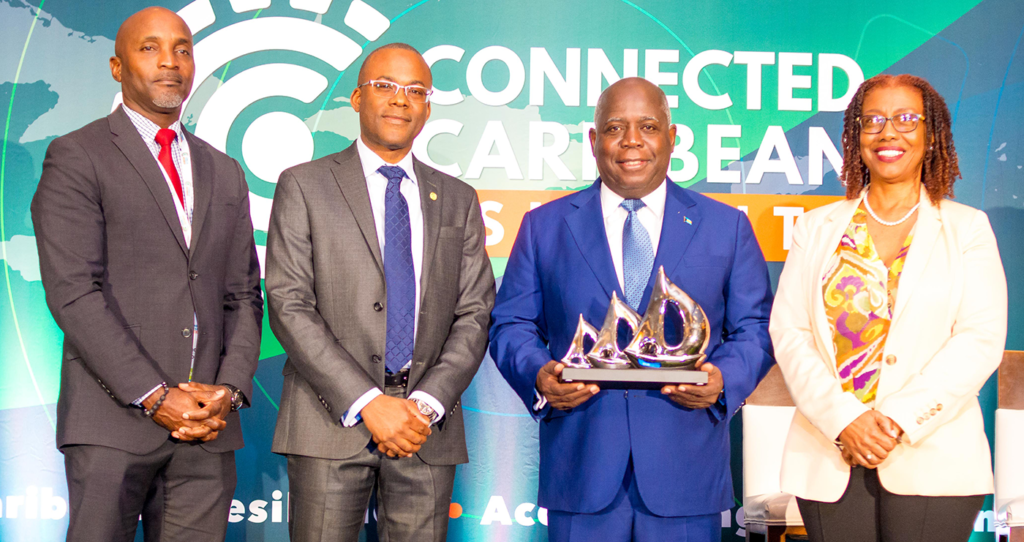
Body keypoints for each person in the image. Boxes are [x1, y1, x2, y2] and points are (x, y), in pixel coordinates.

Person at [489, 77, 775, 542]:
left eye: (648, 126)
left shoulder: (727, 227)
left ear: (673, 136)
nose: (632, 142)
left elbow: (756, 329)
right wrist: (540, 376)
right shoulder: (544, 227)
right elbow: (511, 325)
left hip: (685, 474)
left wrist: (722, 382)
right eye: (615, 127)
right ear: (593, 139)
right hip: (581, 471)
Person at [30, 7, 264, 541]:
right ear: (117, 67)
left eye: (182, 49)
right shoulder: (76, 155)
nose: (170, 62)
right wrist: (155, 396)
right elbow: (74, 294)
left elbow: (244, 295)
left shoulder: (222, 169)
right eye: (150, 48)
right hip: (114, 424)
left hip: (207, 430)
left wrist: (227, 389)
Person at [265, 43, 494, 542]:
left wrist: (426, 404)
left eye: (415, 91)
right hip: (331, 420)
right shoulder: (304, 185)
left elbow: (475, 313)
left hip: (424, 428)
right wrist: (368, 401)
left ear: (428, 108)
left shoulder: (457, 198)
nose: (400, 101)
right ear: (356, 99)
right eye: (385, 87)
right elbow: (288, 302)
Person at [771, 73, 1008, 542]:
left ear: (931, 134)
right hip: (830, 452)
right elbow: (790, 332)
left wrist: (896, 420)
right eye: (873, 120)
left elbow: (980, 339)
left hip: (934, 453)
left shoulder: (967, 228)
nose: (888, 133)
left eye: (906, 119)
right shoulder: (817, 228)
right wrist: (845, 420)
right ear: (855, 134)